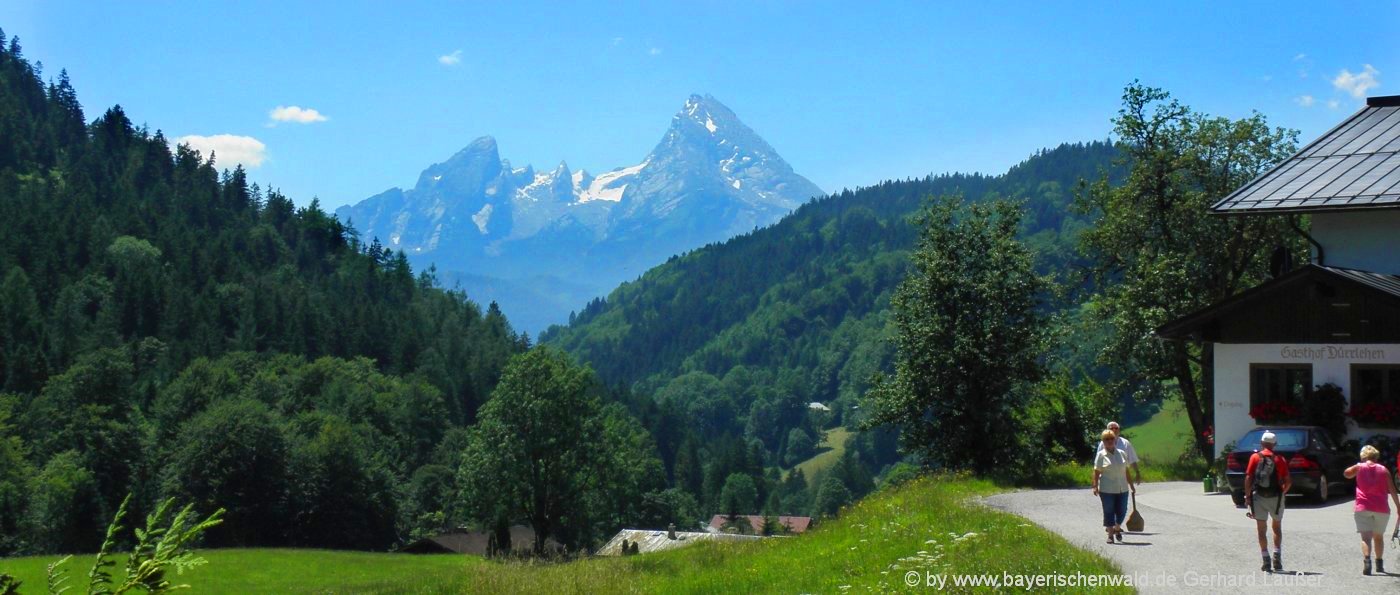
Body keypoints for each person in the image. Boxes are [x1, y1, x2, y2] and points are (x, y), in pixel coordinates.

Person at [1344, 445, 1400, 575]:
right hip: (1381, 508)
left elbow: (1346, 474)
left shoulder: (1359, 467)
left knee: (1366, 538)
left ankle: (1367, 561)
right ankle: (1379, 563)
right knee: (1378, 537)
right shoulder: (1384, 470)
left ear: (1363, 456)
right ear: (1376, 457)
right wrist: (1398, 507)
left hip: (1363, 507)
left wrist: (1357, 466)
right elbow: (1393, 490)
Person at [1244, 431, 1291, 572]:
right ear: (1274, 444)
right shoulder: (1279, 459)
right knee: (1276, 527)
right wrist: (1282, 492)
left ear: (1262, 443)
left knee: (1261, 529)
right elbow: (1288, 481)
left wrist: (1247, 496)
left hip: (1259, 497)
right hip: (1276, 498)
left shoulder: (1254, 457)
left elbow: (1248, 478)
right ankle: (1277, 557)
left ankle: (1265, 559)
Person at [1092, 429, 1134, 544]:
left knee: (1122, 510)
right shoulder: (1101, 456)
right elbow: (1096, 472)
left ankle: (1117, 528)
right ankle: (1110, 535)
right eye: (1107, 439)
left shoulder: (1122, 453)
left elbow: (1126, 471)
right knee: (1109, 511)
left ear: (1115, 440)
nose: (1110, 441)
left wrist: (1131, 485)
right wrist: (1095, 486)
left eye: (1112, 439)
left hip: (1122, 488)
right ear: (1103, 442)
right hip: (1107, 489)